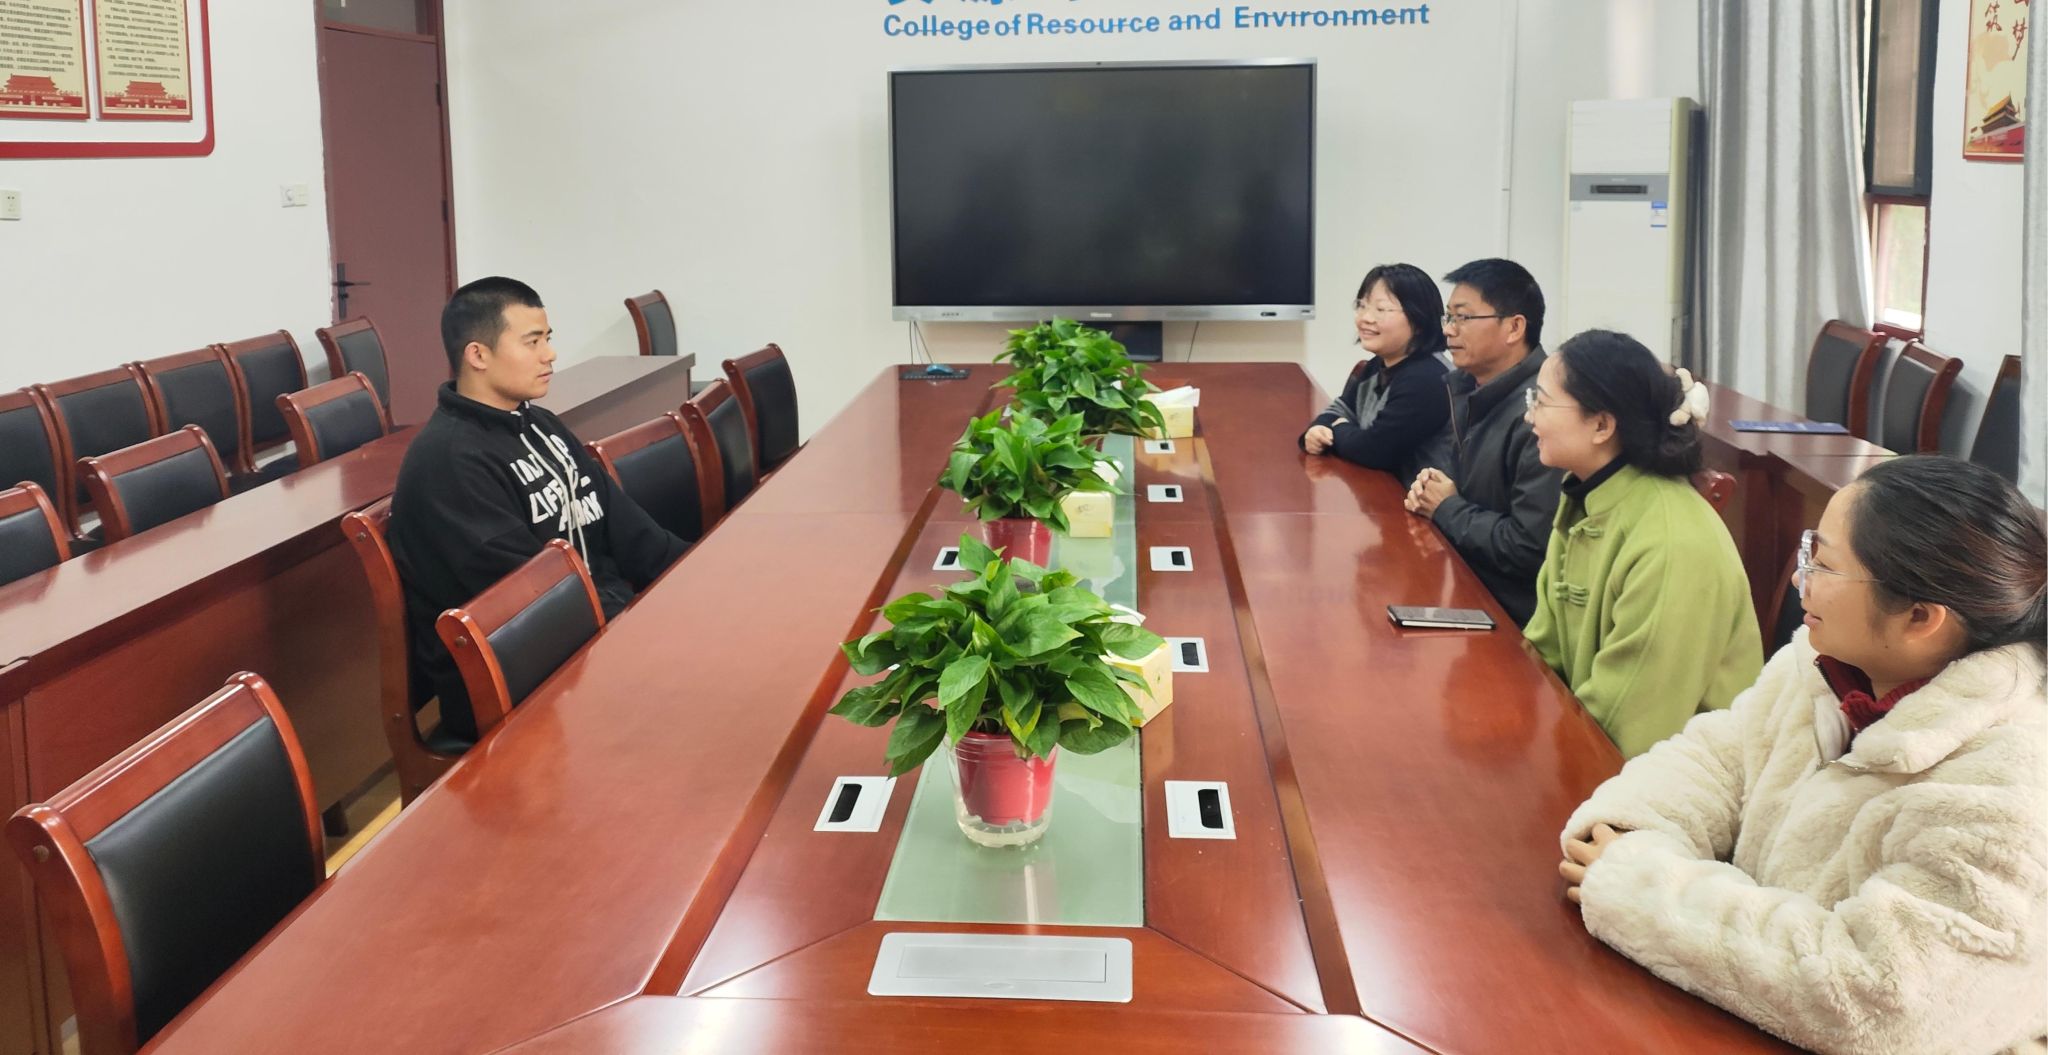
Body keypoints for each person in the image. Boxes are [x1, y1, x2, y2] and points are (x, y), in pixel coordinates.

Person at [1558, 455, 2047, 1055]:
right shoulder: (1821, 667)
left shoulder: (2013, 784)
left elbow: (1879, 998)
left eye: (1825, 564)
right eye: (1810, 550)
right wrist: (1631, 829)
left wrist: (1642, 886)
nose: (1799, 578)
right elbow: (1718, 757)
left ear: (1920, 617)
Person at [389, 276, 688, 743]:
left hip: (594, 637)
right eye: (532, 342)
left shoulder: (539, 424)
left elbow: (631, 531)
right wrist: (639, 626)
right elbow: (534, 603)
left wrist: (699, 578)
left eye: (548, 339)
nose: (550, 354)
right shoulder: (449, 464)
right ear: (478, 355)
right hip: (519, 680)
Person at [1521, 330, 1761, 757]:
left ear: (1601, 425)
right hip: (1590, 751)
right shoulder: (1587, 496)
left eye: (1541, 402)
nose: (1529, 417)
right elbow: (1541, 652)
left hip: (1680, 779)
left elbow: (1628, 727)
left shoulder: (1673, 544)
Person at [1403, 258, 1561, 625]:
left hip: (1516, 616)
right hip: (1469, 580)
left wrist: (1446, 507)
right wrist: (1430, 489)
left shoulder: (1542, 411)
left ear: (1514, 327)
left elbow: (1530, 549)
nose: (1448, 330)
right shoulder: (1471, 388)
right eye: (1448, 317)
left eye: (1463, 317)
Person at [1300, 263, 1449, 470]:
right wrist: (1318, 430)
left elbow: (1374, 451)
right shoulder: (1377, 365)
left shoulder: (1428, 379)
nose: (1365, 318)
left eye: (1381, 309)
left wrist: (1337, 430)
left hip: (1411, 490)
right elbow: (1343, 409)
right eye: (1362, 306)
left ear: (1418, 320)